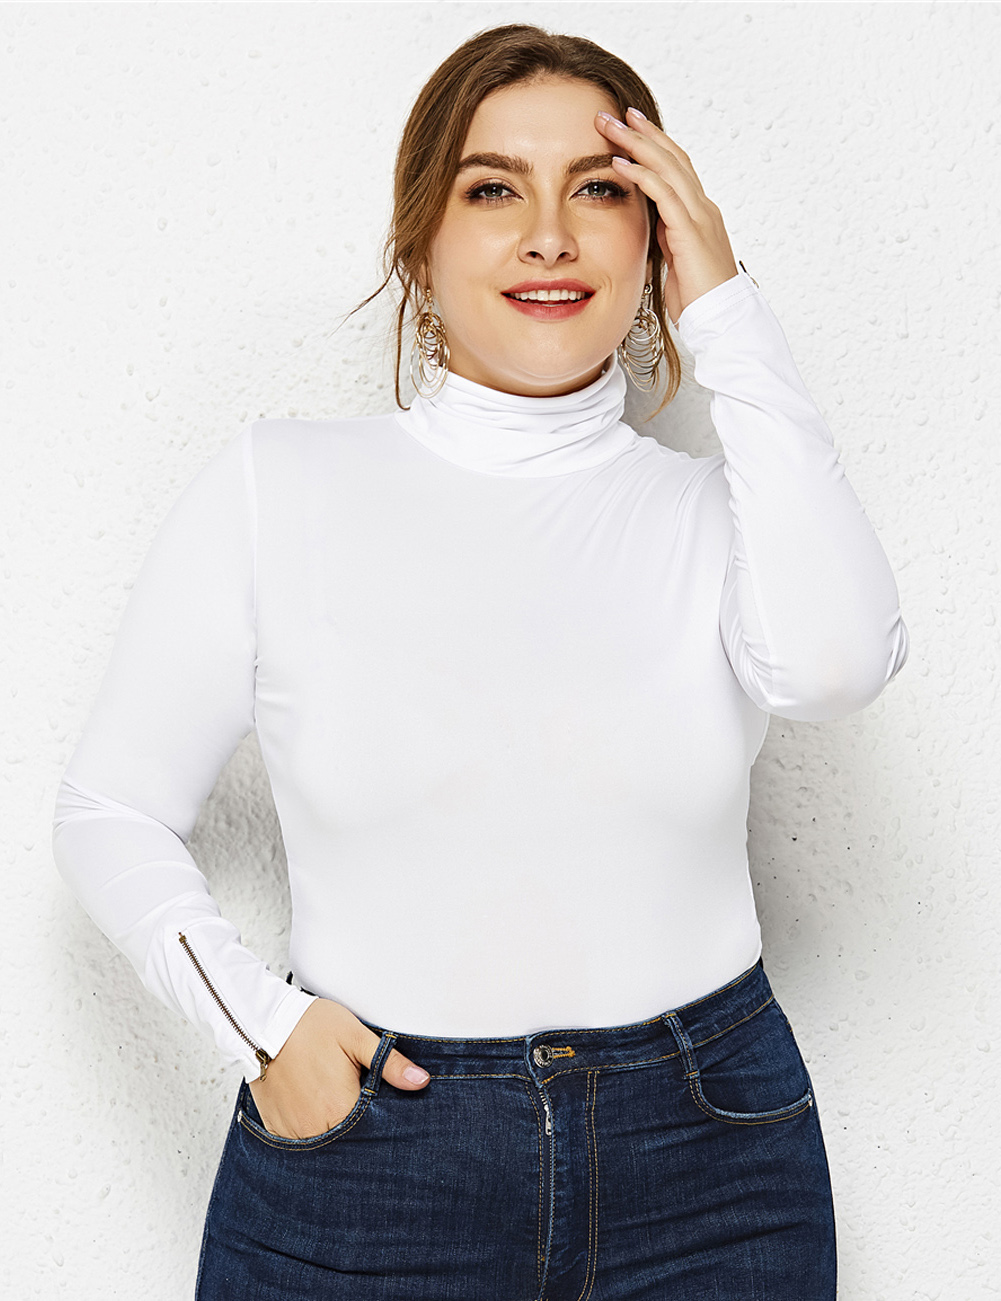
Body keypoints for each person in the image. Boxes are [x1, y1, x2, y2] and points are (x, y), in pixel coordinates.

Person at [51, 22, 909, 1301]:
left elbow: (837, 666)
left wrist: (727, 311)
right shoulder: (276, 489)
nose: (549, 236)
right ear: (419, 243)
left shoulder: (726, 519)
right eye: (493, 189)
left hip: (708, 1158)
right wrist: (264, 1025)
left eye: (599, 191)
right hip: (367, 1158)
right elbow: (107, 809)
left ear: (655, 241)